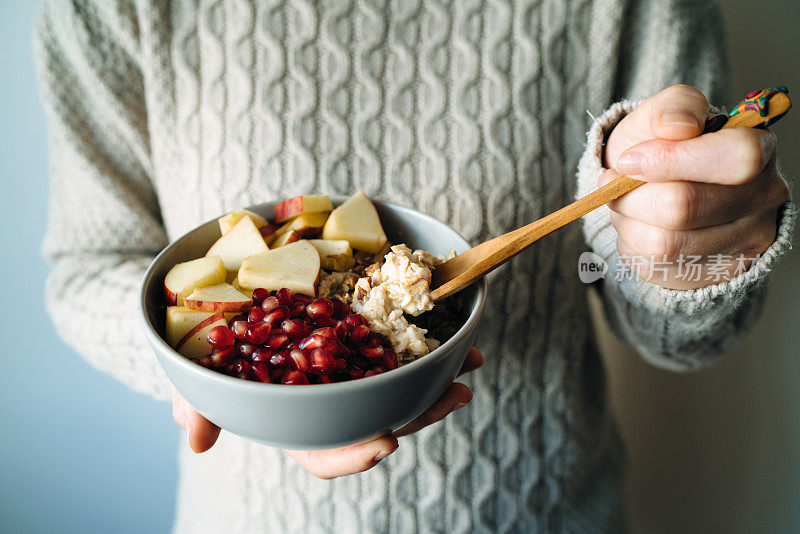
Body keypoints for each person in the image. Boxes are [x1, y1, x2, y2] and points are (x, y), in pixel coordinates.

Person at [34, 0, 793, 532]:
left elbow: (674, 336)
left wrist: (687, 255)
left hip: (545, 511)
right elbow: (88, 265)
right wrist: (190, 364)